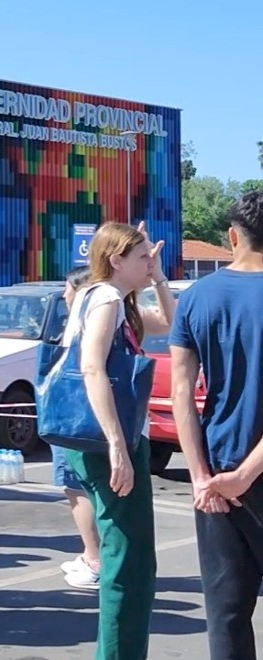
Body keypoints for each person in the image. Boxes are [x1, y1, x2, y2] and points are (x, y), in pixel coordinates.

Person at [61, 221, 174, 659]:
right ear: (115, 261)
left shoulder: (107, 298)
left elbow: (170, 322)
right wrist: (117, 445)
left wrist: (158, 277)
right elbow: (91, 367)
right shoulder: (107, 298)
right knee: (130, 561)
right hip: (108, 439)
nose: (150, 261)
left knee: (128, 556)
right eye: (142, 257)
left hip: (98, 438)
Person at [170, 191, 263, 660]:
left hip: (218, 471)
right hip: (241, 473)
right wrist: (247, 474)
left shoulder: (195, 298)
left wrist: (200, 477)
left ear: (232, 237)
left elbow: (181, 393)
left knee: (227, 612)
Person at [52, 265, 103, 590]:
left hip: (74, 417)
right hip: (81, 416)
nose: (64, 294)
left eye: (68, 287)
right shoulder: (99, 319)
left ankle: (95, 559)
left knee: (76, 487)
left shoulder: (85, 323)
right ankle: (90, 554)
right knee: (81, 486)